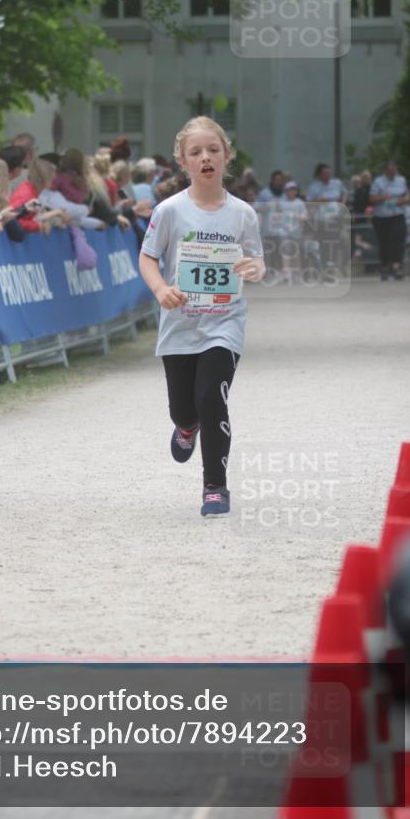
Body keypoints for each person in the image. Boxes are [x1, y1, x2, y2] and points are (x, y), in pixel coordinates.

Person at [139, 116, 264, 518]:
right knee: (184, 408)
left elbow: (256, 259)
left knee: (212, 398)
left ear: (226, 156)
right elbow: (148, 257)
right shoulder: (169, 211)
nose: (205, 157)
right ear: (183, 161)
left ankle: (215, 487)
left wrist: (254, 269)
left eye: (213, 150)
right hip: (180, 325)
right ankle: (185, 427)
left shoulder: (243, 213)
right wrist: (161, 289)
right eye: (196, 152)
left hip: (224, 323)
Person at [369, 160, 410, 280]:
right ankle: (385, 267)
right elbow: (371, 199)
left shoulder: (401, 180)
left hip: (398, 214)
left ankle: (397, 266)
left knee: (398, 239)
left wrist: (401, 201)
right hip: (382, 217)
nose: (393, 173)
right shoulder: (378, 182)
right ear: (385, 170)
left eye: (394, 171)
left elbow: (406, 195)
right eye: (390, 171)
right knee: (385, 242)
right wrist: (383, 197)